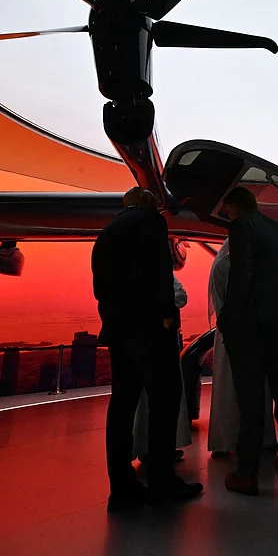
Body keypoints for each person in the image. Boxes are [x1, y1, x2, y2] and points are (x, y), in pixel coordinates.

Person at [91, 187, 202, 511]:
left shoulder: (105, 234)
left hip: (119, 331)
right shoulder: (151, 223)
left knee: (122, 406)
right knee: (164, 402)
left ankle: (122, 489)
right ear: (145, 203)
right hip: (151, 331)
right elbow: (159, 272)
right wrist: (167, 316)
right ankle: (162, 483)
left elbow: (100, 288)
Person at [217, 186, 278, 495]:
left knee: (250, 396)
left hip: (250, 324)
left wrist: (228, 317)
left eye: (227, 209)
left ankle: (247, 472)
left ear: (234, 206)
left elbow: (242, 275)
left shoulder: (241, 226)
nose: (226, 214)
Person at [206, 239, 277, 457]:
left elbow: (220, 303)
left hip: (230, 333)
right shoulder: (256, 264)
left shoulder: (222, 265)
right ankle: (262, 438)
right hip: (251, 333)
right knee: (256, 387)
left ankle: (225, 439)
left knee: (228, 388)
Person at [133, 274, 193, 461]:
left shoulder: (161, 275)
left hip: (160, 344)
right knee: (157, 399)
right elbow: (179, 297)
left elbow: (181, 296)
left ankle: (160, 448)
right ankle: (152, 450)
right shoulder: (158, 275)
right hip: (154, 345)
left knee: (162, 398)